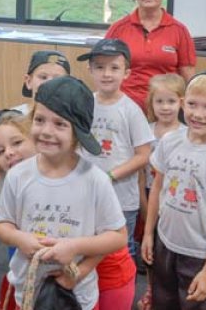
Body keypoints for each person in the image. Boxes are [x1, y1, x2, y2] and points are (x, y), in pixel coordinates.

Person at [0, 76, 128, 310]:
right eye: (39, 120)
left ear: (77, 133)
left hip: (78, 296)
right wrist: (19, 239)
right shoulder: (17, 176)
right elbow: (3, 225)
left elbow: (118, 237)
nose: (46, 131)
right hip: (27, 291)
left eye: (60, 124)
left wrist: (76, 257)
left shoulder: (95, 180)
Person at [141, 70, 206, 310]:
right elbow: (157, 187)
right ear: (183, 103)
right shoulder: (169, 141)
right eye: (193, 104)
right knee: (162, 302)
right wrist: (148, 233)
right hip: (165, 243)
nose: (198, 114)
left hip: (198, 254)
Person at [76, 38, 153, 310]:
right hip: (86, 195)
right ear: (90, 70)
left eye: (114, 68)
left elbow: (143, 154)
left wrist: (110, 176)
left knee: (120, 252)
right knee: (89, 246)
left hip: (121, 198)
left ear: (126, 72)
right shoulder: (85, 104)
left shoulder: (131, 110)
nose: (106, 74)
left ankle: (119, 298)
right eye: (99, 67)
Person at [105, 0, 197, 111]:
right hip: (124, 110)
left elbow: (190, 82)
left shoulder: (180, 31)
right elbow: (105, 74)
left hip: (165, 112)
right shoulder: (117, 30)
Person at [137, 73, 187, 310]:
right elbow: (140, 172)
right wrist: (143, 202)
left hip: (174, 198)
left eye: (171, 101)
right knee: (149, 246)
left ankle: (169, 290)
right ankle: (150, 288)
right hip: (149, 192)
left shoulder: (186, 134)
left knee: (167, 248)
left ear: (181, 103)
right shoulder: (145, 132)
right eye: (160, 101)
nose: (165, 107)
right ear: (151, 103)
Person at [13, 50, 71, 114]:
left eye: (57, 79)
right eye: (43, 77)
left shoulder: (75, 118)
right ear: (29, 81)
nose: (50, 83)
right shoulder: (13, 117)